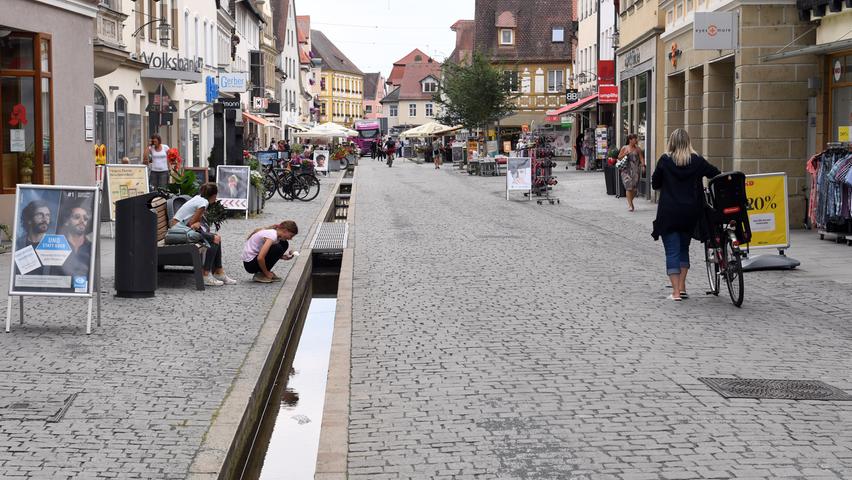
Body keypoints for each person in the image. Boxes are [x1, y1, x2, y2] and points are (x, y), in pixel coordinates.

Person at [651, 128, 721, 301]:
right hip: (690, 212)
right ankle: (681, 287)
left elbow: (654, 183)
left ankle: (675, 293)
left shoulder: (665, 160)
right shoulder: (696, 161)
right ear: (688, 142)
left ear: (672, 143)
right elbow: (715, 173)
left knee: (672, 251)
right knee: (683, 248)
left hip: (669, 212)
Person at [172, 183, 237, 286]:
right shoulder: (203, 203)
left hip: (180, 228)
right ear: (214, 196)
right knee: (215, 238)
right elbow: (192, 224)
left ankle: (219, 271)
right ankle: (206, 274)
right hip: (180, 231)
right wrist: (198, 224)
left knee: (216, 237)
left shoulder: (198, 198)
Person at [57, 203, 92, 277]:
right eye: (77, 217)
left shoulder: (91, 247)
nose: (82, 221)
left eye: (85, 218)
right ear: (66, 221)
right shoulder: (58, 245)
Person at [617, 133, 645, 212]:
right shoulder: (624, 148)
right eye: (634, 139)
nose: (636, 140)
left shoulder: (638, 149)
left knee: (634, 189)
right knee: (628, 186)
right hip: (626, 170)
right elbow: (619, 158)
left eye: (636, 138)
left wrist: (643, 166)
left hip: (635, 170)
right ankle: (630, 205)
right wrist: (624, 154)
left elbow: (641, 158)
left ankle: (630, 201)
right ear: (630, 140)